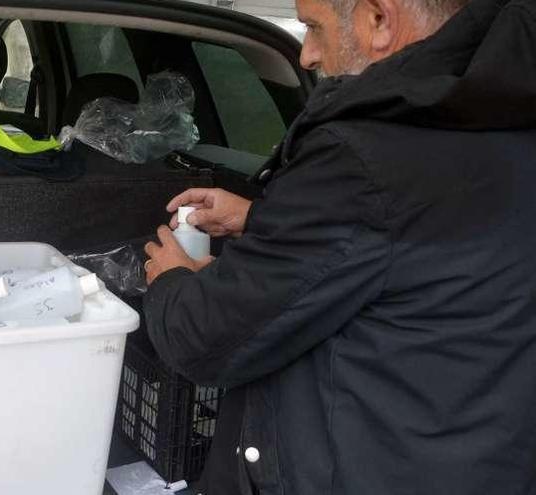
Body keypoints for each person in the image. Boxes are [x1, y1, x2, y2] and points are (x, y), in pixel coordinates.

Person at [142, 0, 536, 493]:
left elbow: (203, 338)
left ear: (378, 19)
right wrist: (260, 218)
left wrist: (172, 279)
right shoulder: (501, 113)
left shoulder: (368, 152)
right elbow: (412, 242)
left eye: (313, 28)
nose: (306, 55)